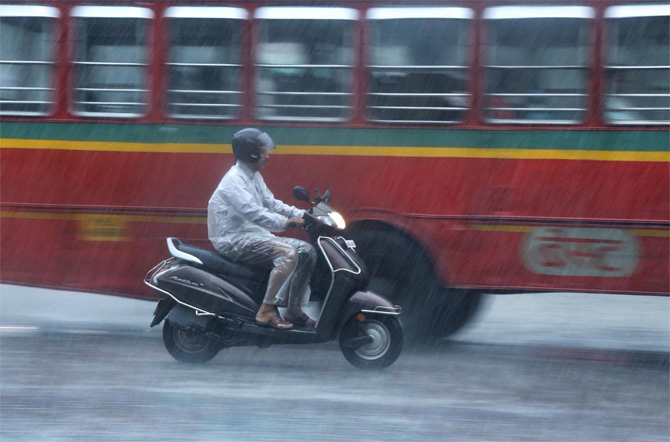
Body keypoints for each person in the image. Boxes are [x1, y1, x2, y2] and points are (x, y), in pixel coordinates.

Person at [207, 128, 317, 330]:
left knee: (306, 251)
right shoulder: (233, 181)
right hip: (233, 239)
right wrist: (287, 223)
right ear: (251, 153)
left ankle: (293, 308)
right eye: (263, 151)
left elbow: (272, 203)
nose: (267, 156)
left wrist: (305, 214)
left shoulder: (252, 175)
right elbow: (254, 213)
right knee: (288, 254)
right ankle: (265, 310)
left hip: (253, 235)